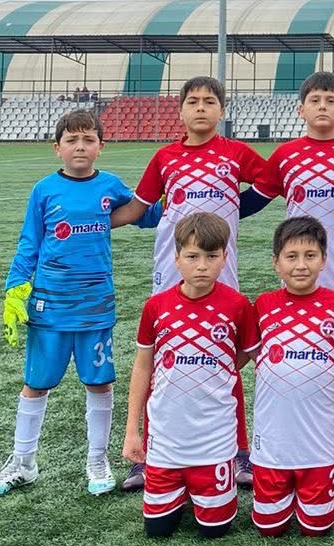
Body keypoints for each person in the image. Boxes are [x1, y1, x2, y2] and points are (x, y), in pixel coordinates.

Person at [0, 108, 158, 500]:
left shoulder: (110, 186)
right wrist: (14, 288)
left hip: (95, 307)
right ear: (57, 148)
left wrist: (180, 196)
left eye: (88, 139)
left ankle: (97, 459)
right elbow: (30, 242)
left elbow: (146, 215)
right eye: (72, 140)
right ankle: (23, 462)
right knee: (36, 384)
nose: (80, 146)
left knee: (99, 381)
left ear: (100, 147)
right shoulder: (44, 190)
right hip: (50, 306)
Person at [112, 75, 271, 490]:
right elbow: (137, 208)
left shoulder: (235, 153)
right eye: (193, 101)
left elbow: (270, 183)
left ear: (222, 110)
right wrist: (90, 222)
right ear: (180, 110)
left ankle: (237, 452)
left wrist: (236, 209)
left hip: (221, 272)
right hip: (171, 272)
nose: (201, 108)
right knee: (163, 361)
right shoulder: (165, 158)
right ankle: (147, 456)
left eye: (209, 101)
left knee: (226, 358)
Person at [241, 71, 334, 474]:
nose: (323, 106)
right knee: (303, 364)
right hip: (299, 281)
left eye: (331, 100)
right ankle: (314, 447)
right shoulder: (286, 155)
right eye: (315, 100)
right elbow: (254, 201)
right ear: (301, 109)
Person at [121, 212, 257, 540]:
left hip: (214, 441)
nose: (201, 266)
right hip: (166, 441)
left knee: (215, 531)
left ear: (225, 257)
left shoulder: (238, 306)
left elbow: (250, 354)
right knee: (157, 531)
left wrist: (218, 367)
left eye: (211, 256)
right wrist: (131, 431)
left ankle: (202, 489)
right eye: (192, 257)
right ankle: (176, 489)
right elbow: (142, 367)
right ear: (177, 259)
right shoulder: (156, 307)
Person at [249, 216, 334, 538]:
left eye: (310, 256)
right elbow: (249, 354)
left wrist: (326, 377)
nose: (301, 265)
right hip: (272, 446)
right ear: (276, 262)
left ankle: (333, 467)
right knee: (269, 529)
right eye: (292, 256)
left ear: (324, 260)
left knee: (317, 529)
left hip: (317, 446)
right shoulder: (263, 305)